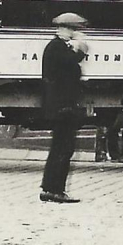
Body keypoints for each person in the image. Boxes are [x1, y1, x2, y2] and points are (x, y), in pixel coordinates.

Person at [40, 12, 89, 204]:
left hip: (59, 105)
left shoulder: (56, 47)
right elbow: (72, 63)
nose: (74, 33)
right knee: (64, 148)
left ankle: (50, 188)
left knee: (59, 148)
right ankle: (55, 190)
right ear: (62, 29)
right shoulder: (58, 48)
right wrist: (81, 48)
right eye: (72, 29)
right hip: (63, 106)